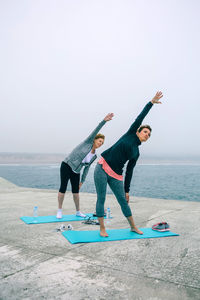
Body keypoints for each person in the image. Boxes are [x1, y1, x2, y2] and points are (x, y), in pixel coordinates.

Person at [94, 91, 163, 237]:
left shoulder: (136, 153)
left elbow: (129, 171)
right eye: (145, 132)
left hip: (116, 175)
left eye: (149, 134)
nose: (146, 135)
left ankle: (133, 226)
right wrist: (151, 103)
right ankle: (102, 228)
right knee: (101, 198)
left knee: (123, 202)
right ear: (138, 131)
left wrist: (127, 191)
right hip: (102, 166)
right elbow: (141, 116)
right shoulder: (131, 133)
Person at [56, 113, 114, 219]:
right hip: (67, 165)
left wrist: (82, 181)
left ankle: (78, 211)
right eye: (100, 141)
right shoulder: (87, 143)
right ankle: (59, 210)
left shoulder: (94, 156)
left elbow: (86, 169)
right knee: (63, 188)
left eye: (102, 143)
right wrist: (104, 121)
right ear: (95, 139)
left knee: (76, 192)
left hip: (76, 171)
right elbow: (96, 130)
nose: (101, 143)